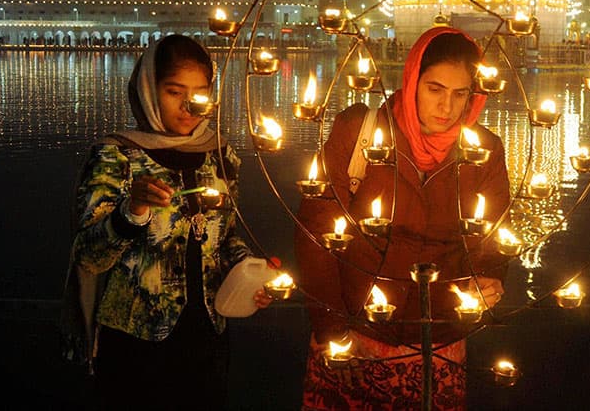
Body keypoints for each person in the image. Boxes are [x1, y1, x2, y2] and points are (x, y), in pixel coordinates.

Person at [295, 26, 511, 410]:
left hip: (438, 342)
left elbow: (491, 240)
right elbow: (317, 231)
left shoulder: (484, 152)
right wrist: (331, 329)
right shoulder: (360, 133)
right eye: (435, 89)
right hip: (354, 340)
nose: (447, 107)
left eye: (460, 94)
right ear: (412, 81)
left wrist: (488, 280)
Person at [63, 34, 273, 410]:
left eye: (200, 92)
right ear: (148, 89)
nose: (189, 106)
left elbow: (225, 238)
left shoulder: (219, 155)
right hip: (135, 343)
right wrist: (133, 211)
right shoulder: (119, 156)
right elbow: (88, 254)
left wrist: (250, 270)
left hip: (208, 337)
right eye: (175, 92)